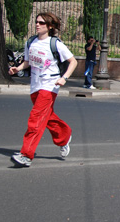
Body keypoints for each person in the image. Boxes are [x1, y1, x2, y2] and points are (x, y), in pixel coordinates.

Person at [8, 12, 78, 167]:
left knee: (36, 119)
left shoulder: (55, 43)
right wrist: (17, 69)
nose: (37, 25)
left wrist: (64, 78)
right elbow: (27, 62)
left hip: (50, 85)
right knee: (46, 116)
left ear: (50, 26)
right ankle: (64, 136)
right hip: (35, 85)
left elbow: (73, 62)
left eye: (41, 23)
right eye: (36, 22)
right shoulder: (31, 42)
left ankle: (26, 155)